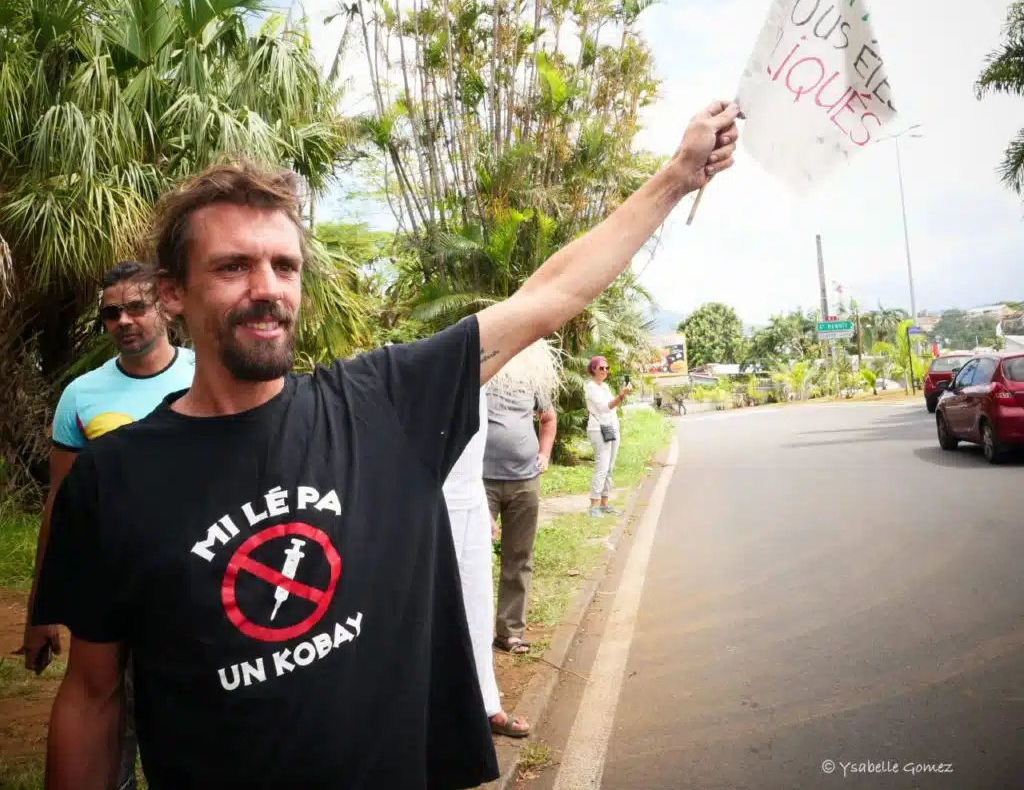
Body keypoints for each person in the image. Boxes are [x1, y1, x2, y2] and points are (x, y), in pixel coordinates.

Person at [33, 100, 739, 790]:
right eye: (232, 267)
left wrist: (676, 176)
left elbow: (549, 295)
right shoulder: (114, 480)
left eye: (285, 265)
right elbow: (93, 699)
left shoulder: (382, 405)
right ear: (172, 293)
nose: (267, 289)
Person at [20, 260, 195, 790]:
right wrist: (39, 611)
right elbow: (61, 505)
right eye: (111, 313)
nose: (124, 320)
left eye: (137, 307)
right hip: (111, 590)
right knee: (104, 724)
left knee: (191, 731)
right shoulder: (81, 396)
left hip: (195, 586)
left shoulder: (207, 372)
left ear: (165, 306)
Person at [443, 387, 530, 738]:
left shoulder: (481, 387)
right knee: (433, 615)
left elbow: (471, 459)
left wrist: (482, 511)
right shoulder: (438, 373)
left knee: (479, 610)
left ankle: (487, 705)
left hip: (472, 506)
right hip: (435, 508)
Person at [483, 340, 559, 656]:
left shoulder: (532, 379)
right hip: (482, 481)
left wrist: (544, 454)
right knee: (472, 557)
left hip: (525, 482)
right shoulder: (482, 376)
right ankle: (470, 631)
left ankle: (509, 632)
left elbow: (548, 419)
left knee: (519, 557)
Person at [585, 355, 632, 518]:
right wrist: (621, 395)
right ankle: (594, 506)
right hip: (598, 429)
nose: (605, 371)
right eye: (601, 368)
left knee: (610, 468)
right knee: (602, 466)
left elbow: (612, 408)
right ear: (593, 370)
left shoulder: (604, 387)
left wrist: (621, 396)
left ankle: (604, 503)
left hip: (612, 428)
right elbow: (605, 408)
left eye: (607, 368)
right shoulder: (591, 387)